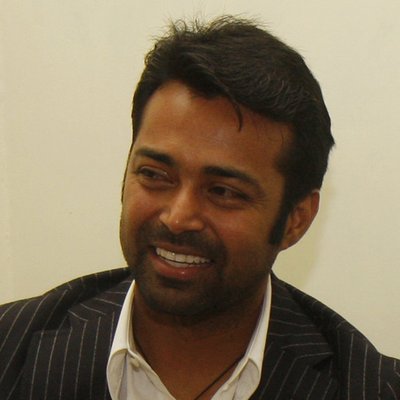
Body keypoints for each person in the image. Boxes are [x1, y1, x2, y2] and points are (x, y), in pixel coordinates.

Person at [0, 16, 399, 400]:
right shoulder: (11, 351)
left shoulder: (369, 388)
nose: (177, 217)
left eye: (223, 192)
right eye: (155, 175)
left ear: (296, 219)